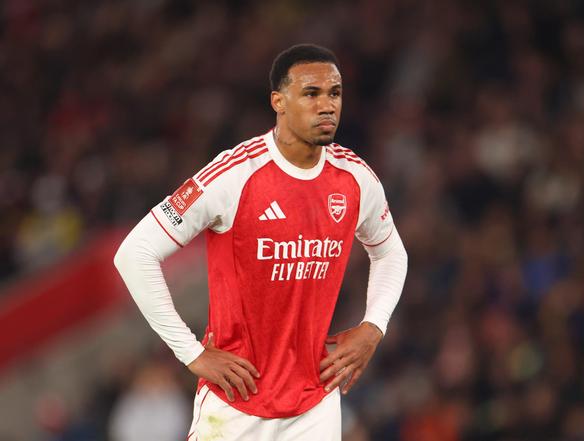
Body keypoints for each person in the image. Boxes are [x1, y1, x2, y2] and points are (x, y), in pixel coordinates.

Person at [114, 43, 407, 441]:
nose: (327, 106)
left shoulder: (355, 178)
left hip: (315, 405)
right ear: (278, 101)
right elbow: (135, 253)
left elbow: (390, 252)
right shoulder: (234, 174)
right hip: (236, 404)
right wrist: (191, 353)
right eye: (311, 93)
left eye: (334, 93)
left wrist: (373, 326)